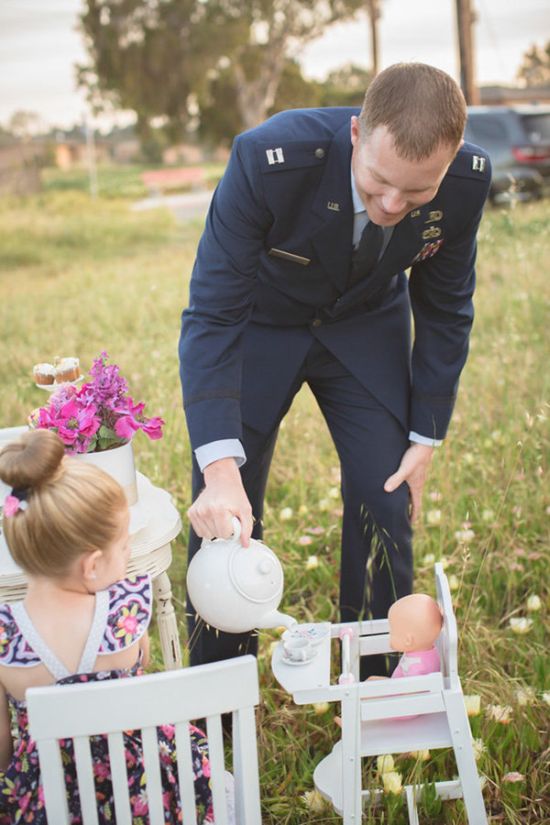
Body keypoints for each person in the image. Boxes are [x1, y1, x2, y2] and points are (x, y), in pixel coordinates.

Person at [179, 62, 491, 677]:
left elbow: (447, 307)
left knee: (386, 491)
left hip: (366, 324)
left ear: (449, 165)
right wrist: (218, 466)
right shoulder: (268, 159)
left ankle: (372, 679)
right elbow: (213, 312)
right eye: (377, 183)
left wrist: (426, 436)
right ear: (355, 134)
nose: (393, 204)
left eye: (417, 192)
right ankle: (219, 685)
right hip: (261, 325)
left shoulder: (468, 182)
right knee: (227, 513)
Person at [0, 429, 214, 824]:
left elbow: (2, 749)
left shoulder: (4, 638)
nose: (129, 552)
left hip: (51, 801)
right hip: (139, 792)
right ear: (92, 564)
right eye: (123, 545)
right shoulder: (126, 615)